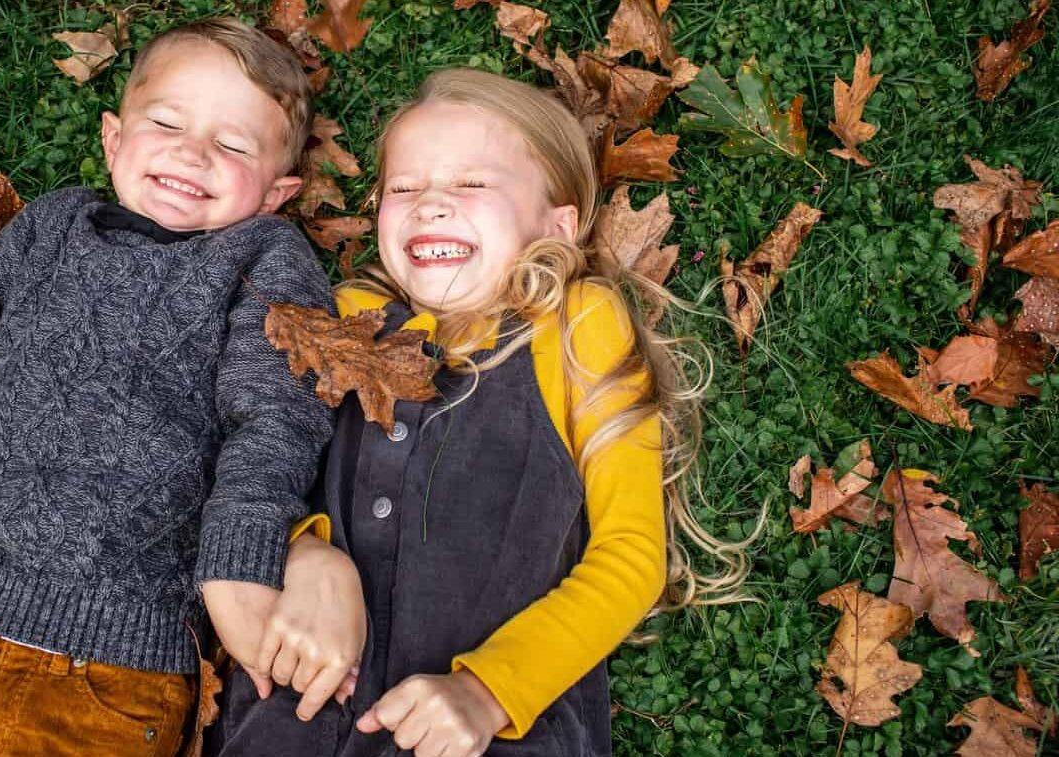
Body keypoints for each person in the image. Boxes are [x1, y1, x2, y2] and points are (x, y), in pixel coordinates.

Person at [208, 68, 753, 757]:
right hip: (294, 716)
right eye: (403, 188)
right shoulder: (342, 322)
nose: (430, 204)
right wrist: (304, 549)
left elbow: (631, 555)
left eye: (472, 184)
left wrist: (489, 691)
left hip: (491, 735)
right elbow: (255, 460)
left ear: (556, 223)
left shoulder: (575, 326)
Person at [0, 18, 340, 756]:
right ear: (113, 138)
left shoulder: (263, 256)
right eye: (166, 122)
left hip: (116, 671)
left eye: (233, 145)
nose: (191, 151)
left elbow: (276, 415)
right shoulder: (51, 226)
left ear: (277, 191)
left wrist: (239, 557)